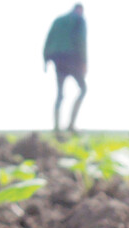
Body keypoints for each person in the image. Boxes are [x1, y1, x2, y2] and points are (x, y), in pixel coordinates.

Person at [43, 4, 86, 134]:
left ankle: (57, 127)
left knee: (60, 94)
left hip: (58, 60)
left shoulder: (58, 21)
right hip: (72, 59)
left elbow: (48, 40)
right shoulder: (79, 20)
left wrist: (45, 59)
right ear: (79, 10)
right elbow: (81, 41)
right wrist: (84, 62)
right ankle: (71, 125)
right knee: (83, 89)